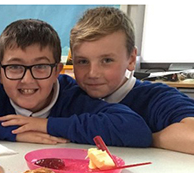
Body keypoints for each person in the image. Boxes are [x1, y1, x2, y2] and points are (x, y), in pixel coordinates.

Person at [0, 19, 152, 147]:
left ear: (57, 70)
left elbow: (134, 128)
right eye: (15, 67)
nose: (28, 79)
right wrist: (12, 131)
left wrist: (46, 125)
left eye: (40, 67)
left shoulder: (72, 97)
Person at [69, 6, 194, 154]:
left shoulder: (156, 98)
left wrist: (141, 138)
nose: (92, 73)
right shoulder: (69, 97)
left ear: (131, 59)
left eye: (107, 60)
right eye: (83, 61)